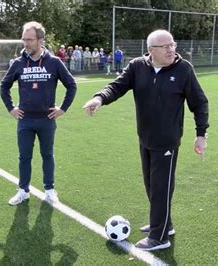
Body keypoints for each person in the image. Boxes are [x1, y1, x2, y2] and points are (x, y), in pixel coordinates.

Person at [82, 29, 209, 251]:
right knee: (151, 186)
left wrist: (201, 134)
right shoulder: (137, 66)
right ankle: (164, 224)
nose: (171, 50)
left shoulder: (183, 69)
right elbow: (117, 86)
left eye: (173, 45)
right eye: (165, 46)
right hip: (145, 137)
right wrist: (99, 98)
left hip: (167, 140)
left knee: (161, 188)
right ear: (151, 50)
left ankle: (159, 237)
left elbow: (199, 103)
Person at [0, 21, 77, 206]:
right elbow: (4, 86)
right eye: (24, 39)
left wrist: (62, 108)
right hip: (25, 120)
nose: (26, 43)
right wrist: (11, 108)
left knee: (47, 155)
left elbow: (71, 85)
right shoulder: (18, 63)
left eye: (30, 40)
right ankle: (23, 191)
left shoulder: (54, 62)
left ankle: (49, 190)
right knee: (24, 157)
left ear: (40, 40)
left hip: (46, 120)